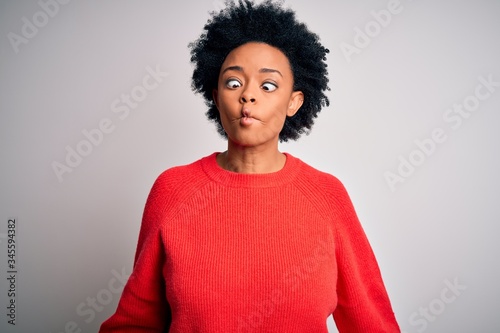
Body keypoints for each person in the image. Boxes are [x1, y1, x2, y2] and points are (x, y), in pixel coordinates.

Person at [99, 0, 400, 332]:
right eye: (233, 83)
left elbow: (372, 324)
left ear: (294, 102)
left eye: (268, 85)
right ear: (215, 96)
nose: (248, 96)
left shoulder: (326, 196)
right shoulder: (173, 190)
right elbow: (136, 323)